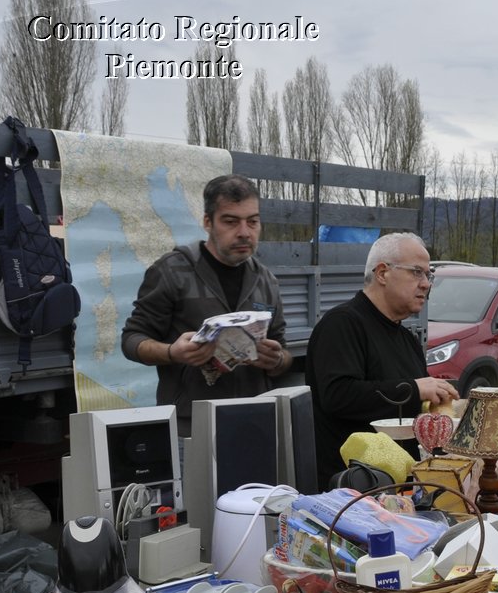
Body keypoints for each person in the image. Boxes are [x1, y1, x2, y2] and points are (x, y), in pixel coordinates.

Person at [120, 174, 290, 439]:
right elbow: (131, 340)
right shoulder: (172, 271)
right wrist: (172, 352)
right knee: (196, 483)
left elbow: (283, 349)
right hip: (191, 426)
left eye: (253, 222)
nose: (245, 232)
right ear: (208, 222)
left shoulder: (267, 280)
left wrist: (277, 359)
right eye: (231, 221)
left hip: (255, 420)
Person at [304, 233, 460, 484]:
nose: (426, 284)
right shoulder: (342, 324)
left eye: (428, 275)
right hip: (353, 489)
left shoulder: (407, 339)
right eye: (416, 272)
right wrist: (414, 388)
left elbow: (410, 405)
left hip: (403, 485)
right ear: (382, 273)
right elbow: (337, 395)